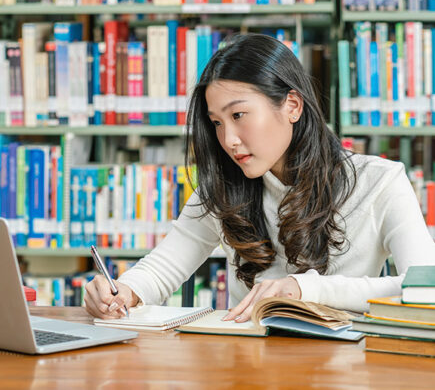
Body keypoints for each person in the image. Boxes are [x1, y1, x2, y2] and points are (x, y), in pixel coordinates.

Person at [84, 33, 435, 322]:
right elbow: (161, 270)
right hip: (248, 366)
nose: (229, 140)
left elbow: (424, 288)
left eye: (239, 115)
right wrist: (122, 291)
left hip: (344, 369)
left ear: (292, 106)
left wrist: (304, 289)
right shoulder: (224, 187)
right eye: (218, 122)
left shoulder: (380, 182)